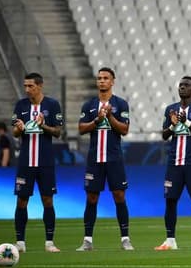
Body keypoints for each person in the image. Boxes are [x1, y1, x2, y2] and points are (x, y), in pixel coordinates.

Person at [154, 76, 191, 251]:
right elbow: (164, 135)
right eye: (180, 85)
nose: (182, 87)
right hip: (174, 162)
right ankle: (170, 241)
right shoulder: (170, 109)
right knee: (170, 201)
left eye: (186, 85)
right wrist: (173, 125)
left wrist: (185, 122)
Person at [76, 67, 133, 251]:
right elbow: (81, 129)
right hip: (94, 158)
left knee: (119, 196)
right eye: (99, 78)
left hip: (114, 157)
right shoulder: (89, 105)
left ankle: (125, 239)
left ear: (112, 81)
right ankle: (87, 241)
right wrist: (96, 121)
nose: (101, 81)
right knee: (91, 197)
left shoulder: (121, 104)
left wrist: (109, 116)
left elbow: (124, 129)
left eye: (105, 78)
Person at [11, 72, 64, 253]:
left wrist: (42, 126)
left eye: (30, 86)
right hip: (26, 161)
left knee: (47, 200)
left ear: (40, 86)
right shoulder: (21, 105)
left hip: (45, 161)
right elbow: (14, 133)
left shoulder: (52, 105)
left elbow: (58, 132)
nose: (27, 89)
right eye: (25, 86)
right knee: (22, 201)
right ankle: (20, 242)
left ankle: (49, 242)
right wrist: (19, 129)